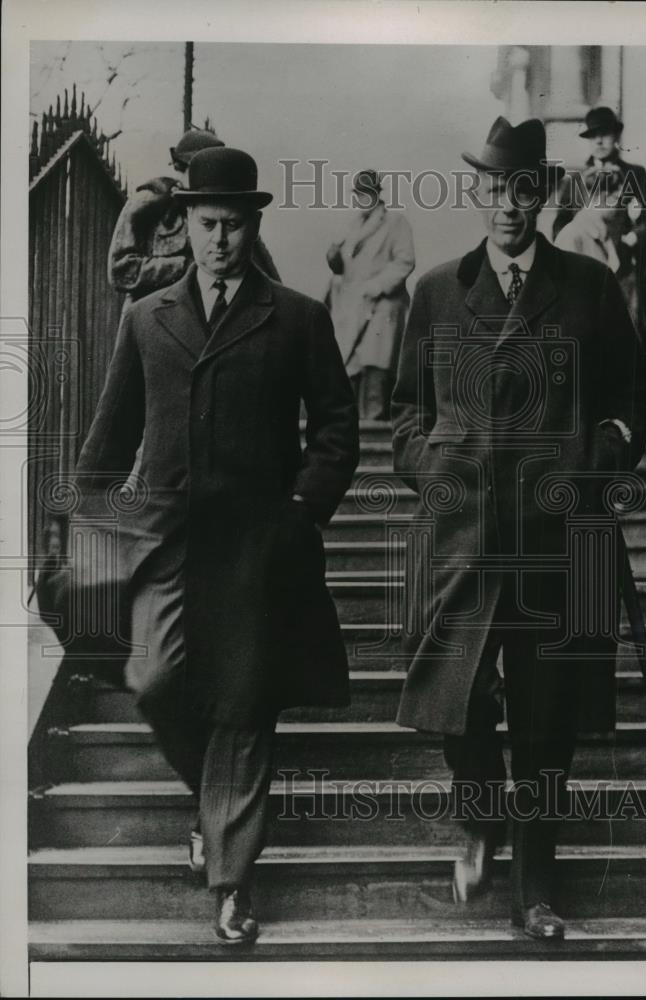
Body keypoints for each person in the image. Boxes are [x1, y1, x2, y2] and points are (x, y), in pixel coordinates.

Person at [74, 147, 359, 944]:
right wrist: (82, 525)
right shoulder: (146, 316)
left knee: (241, 708)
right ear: (185, 224)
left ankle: (232, 884)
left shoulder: (297, 316)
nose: (219, 242)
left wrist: (300, 511)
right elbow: (110, 433)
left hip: (256, 551)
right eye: (206, 225)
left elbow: (336, 431)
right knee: (155, 678)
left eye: (233, 227)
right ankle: (214, 807)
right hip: (166, 544)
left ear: (253, 226)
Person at [391, 116, 646, 940]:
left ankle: (535, 890)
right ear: (475, 194)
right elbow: (406, 412)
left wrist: (601, 457)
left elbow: (630, 397)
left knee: (546, 725)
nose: (507, 205)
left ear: (542, 196)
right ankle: (480, 815)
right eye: (493, 189)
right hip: (462, 541)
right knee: (455, 707)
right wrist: (431, 468)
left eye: (522, 190)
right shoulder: (436, 289)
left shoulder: (586, 287)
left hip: (560, 540)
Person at [108, 128, 280, 309]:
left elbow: (259, 276)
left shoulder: (229, 212)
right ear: (180, 167)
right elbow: (120, 272)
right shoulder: (150, 202)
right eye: (205, 169)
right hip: (152, 318)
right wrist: (186, 266)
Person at [553, 106, 646, 353]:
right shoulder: (575, 180)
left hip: (624, 268)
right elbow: (559, 226)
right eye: (593, 135)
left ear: (616, 137)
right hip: (585, 269)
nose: (600, 140)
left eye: (605, 134)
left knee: (626, 341)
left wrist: (634, 237)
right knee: (588, 338)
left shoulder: (634, 174)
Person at [326, 169, 415, 420]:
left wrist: (377, 286)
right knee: (351, 366)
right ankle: (355, 431)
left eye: (368, 194)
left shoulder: (395, 222)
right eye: (359, 195)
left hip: (382, 306)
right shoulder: (353, 227)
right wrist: (334, 259)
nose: (363, 199)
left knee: (377, 364)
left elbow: (405, 261)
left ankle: (375, 432)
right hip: (353, 306)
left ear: (377, 194)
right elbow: (345, 269)